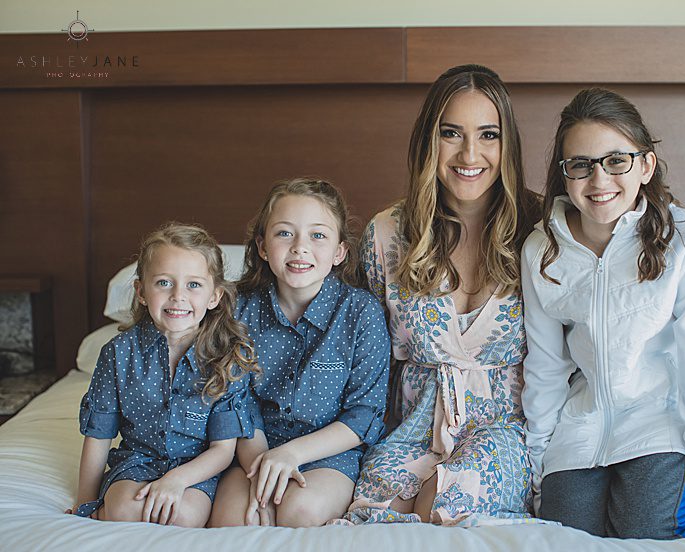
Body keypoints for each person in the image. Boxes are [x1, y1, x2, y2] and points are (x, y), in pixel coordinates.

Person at [521, 87, 685, 538]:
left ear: (645, 166)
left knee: (647, 534)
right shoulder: (541, 250)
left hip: (658, 427)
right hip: (580, 432)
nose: (599, 180)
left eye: (616, 160)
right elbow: (545, 366)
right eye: (580, 164)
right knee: (568, 540)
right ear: (564, 175)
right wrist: (539, 466)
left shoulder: (682, 236)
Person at [337, 64, 541, 526]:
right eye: (452, 133)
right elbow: (359, 354)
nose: (470, 153)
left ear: (507, 144)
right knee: (377, 515)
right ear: (428, 139)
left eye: (488, 134)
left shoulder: (542, 231)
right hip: (409, 430)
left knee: (445, 503)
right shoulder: (386, 234)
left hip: (505, 430)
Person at [208, 178, 389, 527]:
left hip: (329, 453)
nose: (300, 248)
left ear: (339, 251)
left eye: (318, 235)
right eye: (284, 234)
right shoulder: (238, 311)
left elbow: (364, 414)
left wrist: (292, 454)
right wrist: (264, 464)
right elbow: (233, 404)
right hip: (254, 449)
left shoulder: (360, 312)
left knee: (300, 511)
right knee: (235, 519)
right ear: (262, 246)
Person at [71, 223, 257, 526]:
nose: (178, 296)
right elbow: (98, 434)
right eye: (163, 283)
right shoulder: (118, 353)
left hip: (194, 468)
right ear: (142, 291)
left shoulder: (227, 358)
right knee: (123, 510)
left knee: (183, 516)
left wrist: (176, 480)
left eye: (194, 285)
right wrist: (84, 503)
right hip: (137, 461)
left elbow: (223, 451)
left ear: (214, 296)